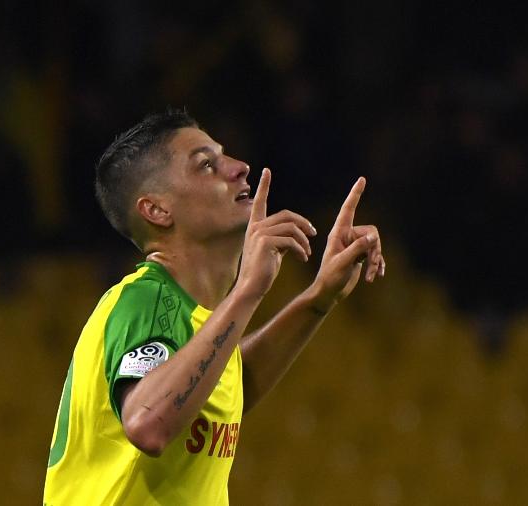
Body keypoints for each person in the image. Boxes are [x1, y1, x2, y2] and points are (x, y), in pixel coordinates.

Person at [43, 109, 385, 505]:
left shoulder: (199, 325)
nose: (240, 168)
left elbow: (220, 392)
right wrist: (247, 291)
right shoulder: (146, 299)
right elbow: (149, 423)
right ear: (157, 210)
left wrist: (318, 298)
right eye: (207, 165)